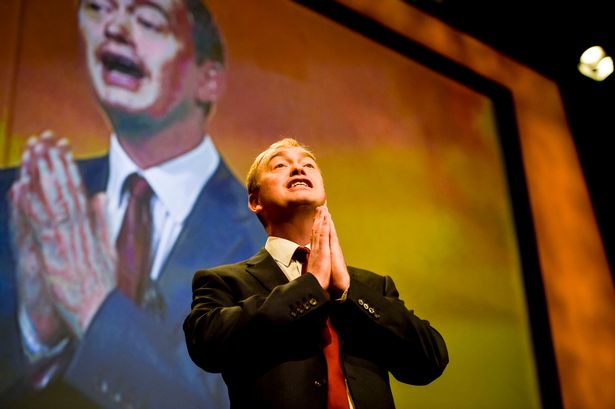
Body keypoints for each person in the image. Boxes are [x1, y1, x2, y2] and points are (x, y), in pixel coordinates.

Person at [0, 0, 265, 408]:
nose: (115, 28)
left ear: (208, 79)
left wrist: (93, 307)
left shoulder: (266, 245)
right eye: (98, 8)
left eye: (148, 21)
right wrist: (34, 335)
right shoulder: (17, 197)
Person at [184, 138, 449, 408]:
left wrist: (348, 291)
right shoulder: (224, 282)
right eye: (280, 165)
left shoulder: (371, 286)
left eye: (308, 165)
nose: (298, 169)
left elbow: (429, 362)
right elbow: (207, 348)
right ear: (255, 201)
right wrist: (309, 288)